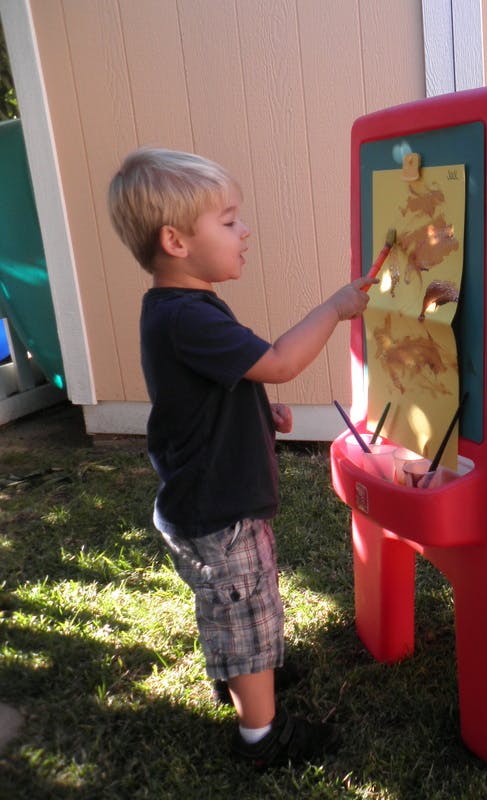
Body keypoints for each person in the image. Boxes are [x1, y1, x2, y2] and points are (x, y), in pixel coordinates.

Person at [108, 147, 373, 770]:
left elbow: (224, 383)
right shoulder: (185, 317)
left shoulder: (185, 309)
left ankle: (253, 671)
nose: (244, 230)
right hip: (216, 512)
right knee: (242, 613)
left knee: (246, 604)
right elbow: (276, 361)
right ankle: (262, 735)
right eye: (228, 221)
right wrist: (334, 309)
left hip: (216, 501)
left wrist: (262, 412)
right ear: (175, 240)